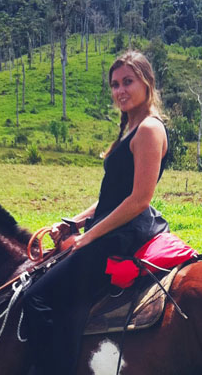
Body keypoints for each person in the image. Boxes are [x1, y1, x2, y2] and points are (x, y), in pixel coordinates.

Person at [22, 50, 169, 374]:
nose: (120, 90)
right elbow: (112, 197)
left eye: (128, 82)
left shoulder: (148, 129)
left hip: (126, 232)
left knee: (37, 298)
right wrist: (74, 223)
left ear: (146, 82)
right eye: (115, 84)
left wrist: (87, 238)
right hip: (117, 225)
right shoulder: (131, 128)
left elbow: (139, 200)